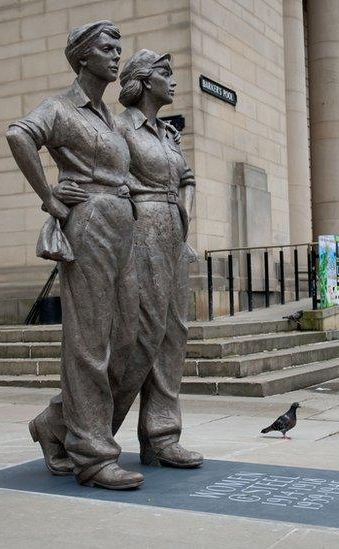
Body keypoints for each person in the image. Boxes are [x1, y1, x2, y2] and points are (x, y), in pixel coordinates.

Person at [7, 20, 144, 490]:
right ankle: (92, 454)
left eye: (118, 48)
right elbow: (19, 135)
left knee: (127, 340)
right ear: (83, 56)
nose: (116, 56)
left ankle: (54, 423)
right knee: (89, 342)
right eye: (107, 48)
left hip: (122, 226)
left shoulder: (106, 116)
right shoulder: (61, 109)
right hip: (88, 224)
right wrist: (48, 195)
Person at [109, 49, 203, 469]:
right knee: (141, 336)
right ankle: (75, 425)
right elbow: (109, 179)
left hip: (172, 234)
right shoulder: (119, 127)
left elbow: (187, 180)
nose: (174, 81)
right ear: (145, 81)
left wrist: (184, 219)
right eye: (166, 74)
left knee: (173, 334)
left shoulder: (168, 134)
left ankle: (161, 436)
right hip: (139, 230)